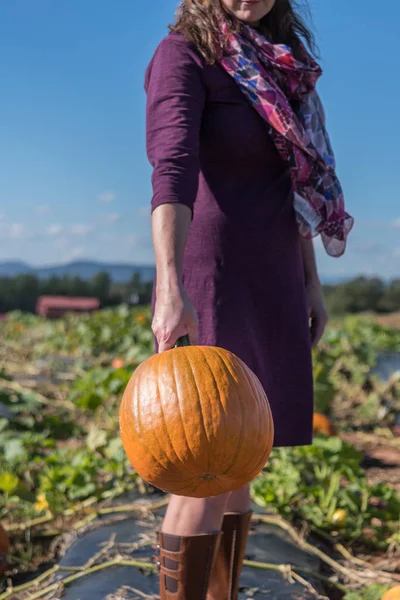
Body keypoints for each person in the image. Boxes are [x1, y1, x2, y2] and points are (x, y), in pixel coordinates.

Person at [145, 1, 353, 598]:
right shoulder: (182, 56)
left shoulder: (282, 66)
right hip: (214, 274)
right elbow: (172, 169)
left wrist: (309, 281)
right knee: (204, 460)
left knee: (245, 457)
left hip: (275, 275)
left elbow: (293, 188)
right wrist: (169, 284)